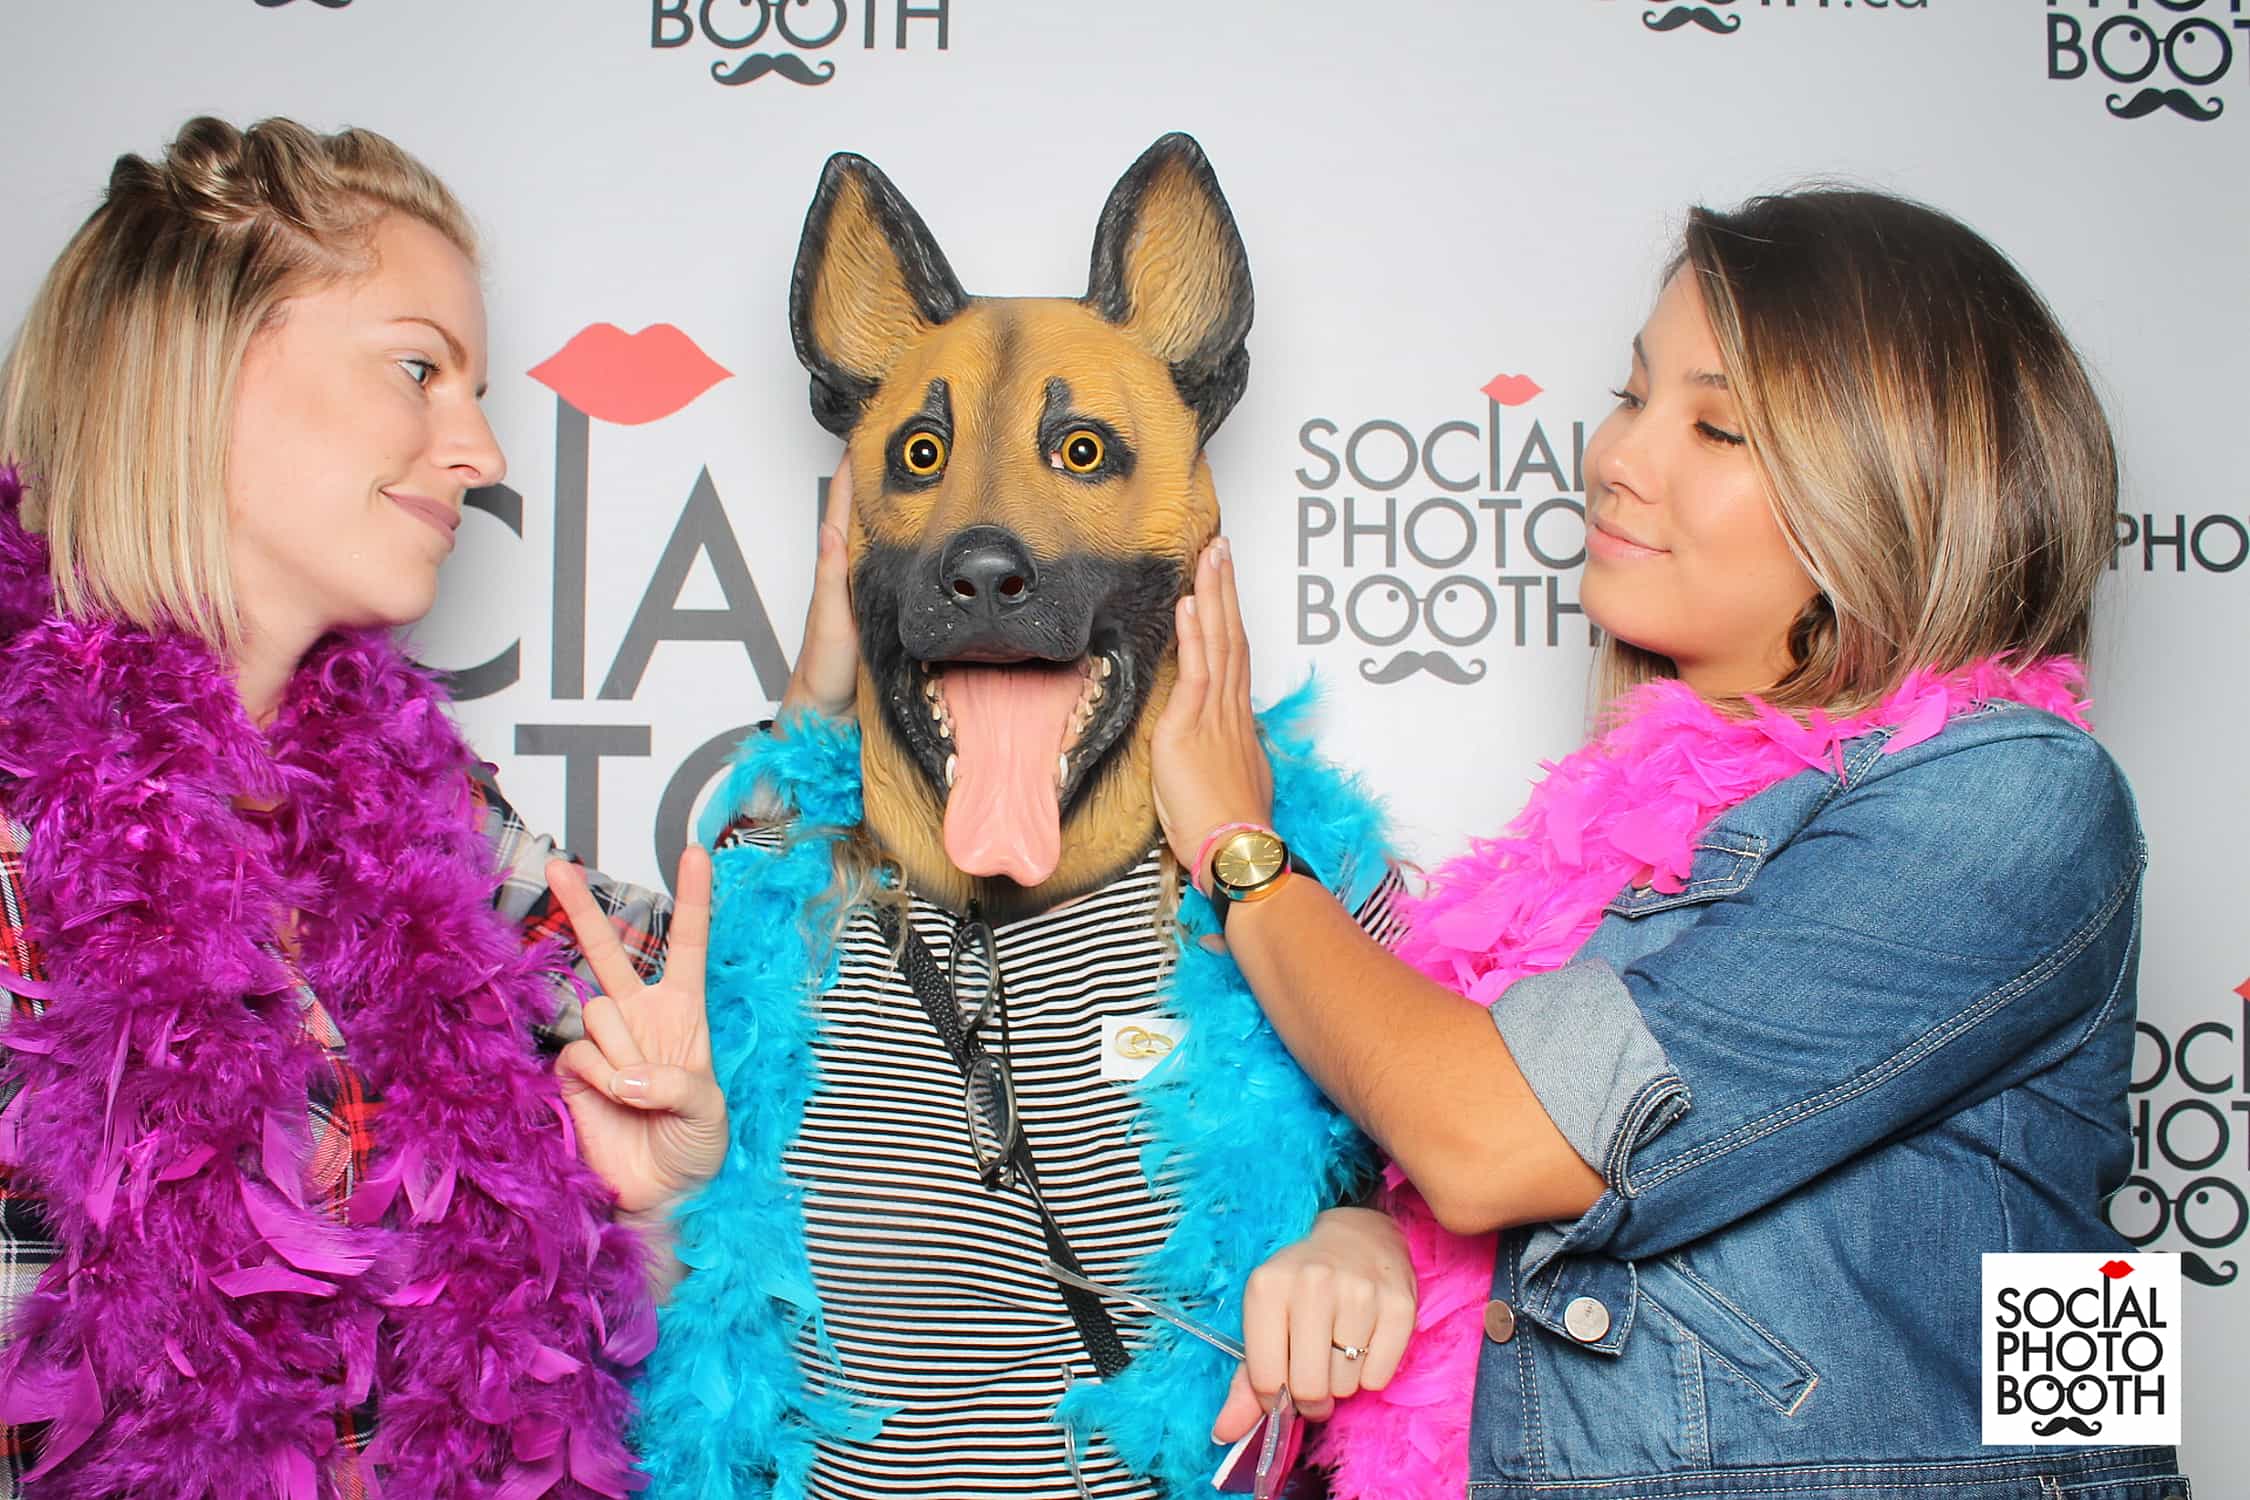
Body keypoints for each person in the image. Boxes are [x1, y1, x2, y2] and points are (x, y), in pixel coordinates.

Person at [1150, 189, 2193, 1499]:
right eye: (1630, 396)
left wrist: (1238, 844)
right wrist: (1369, 1237)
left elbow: (1492, 1140)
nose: (1617, 457)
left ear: (1897, 490)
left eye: (1714, 426)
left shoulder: (2017, 795)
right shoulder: (1622, 836)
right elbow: (1534, 1227)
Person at [0, 116, 721, 1497]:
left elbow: (728, 977)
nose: (482, 452)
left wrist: (642, 1200)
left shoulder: (426, 815)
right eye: (419, 370)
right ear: (200, 363)